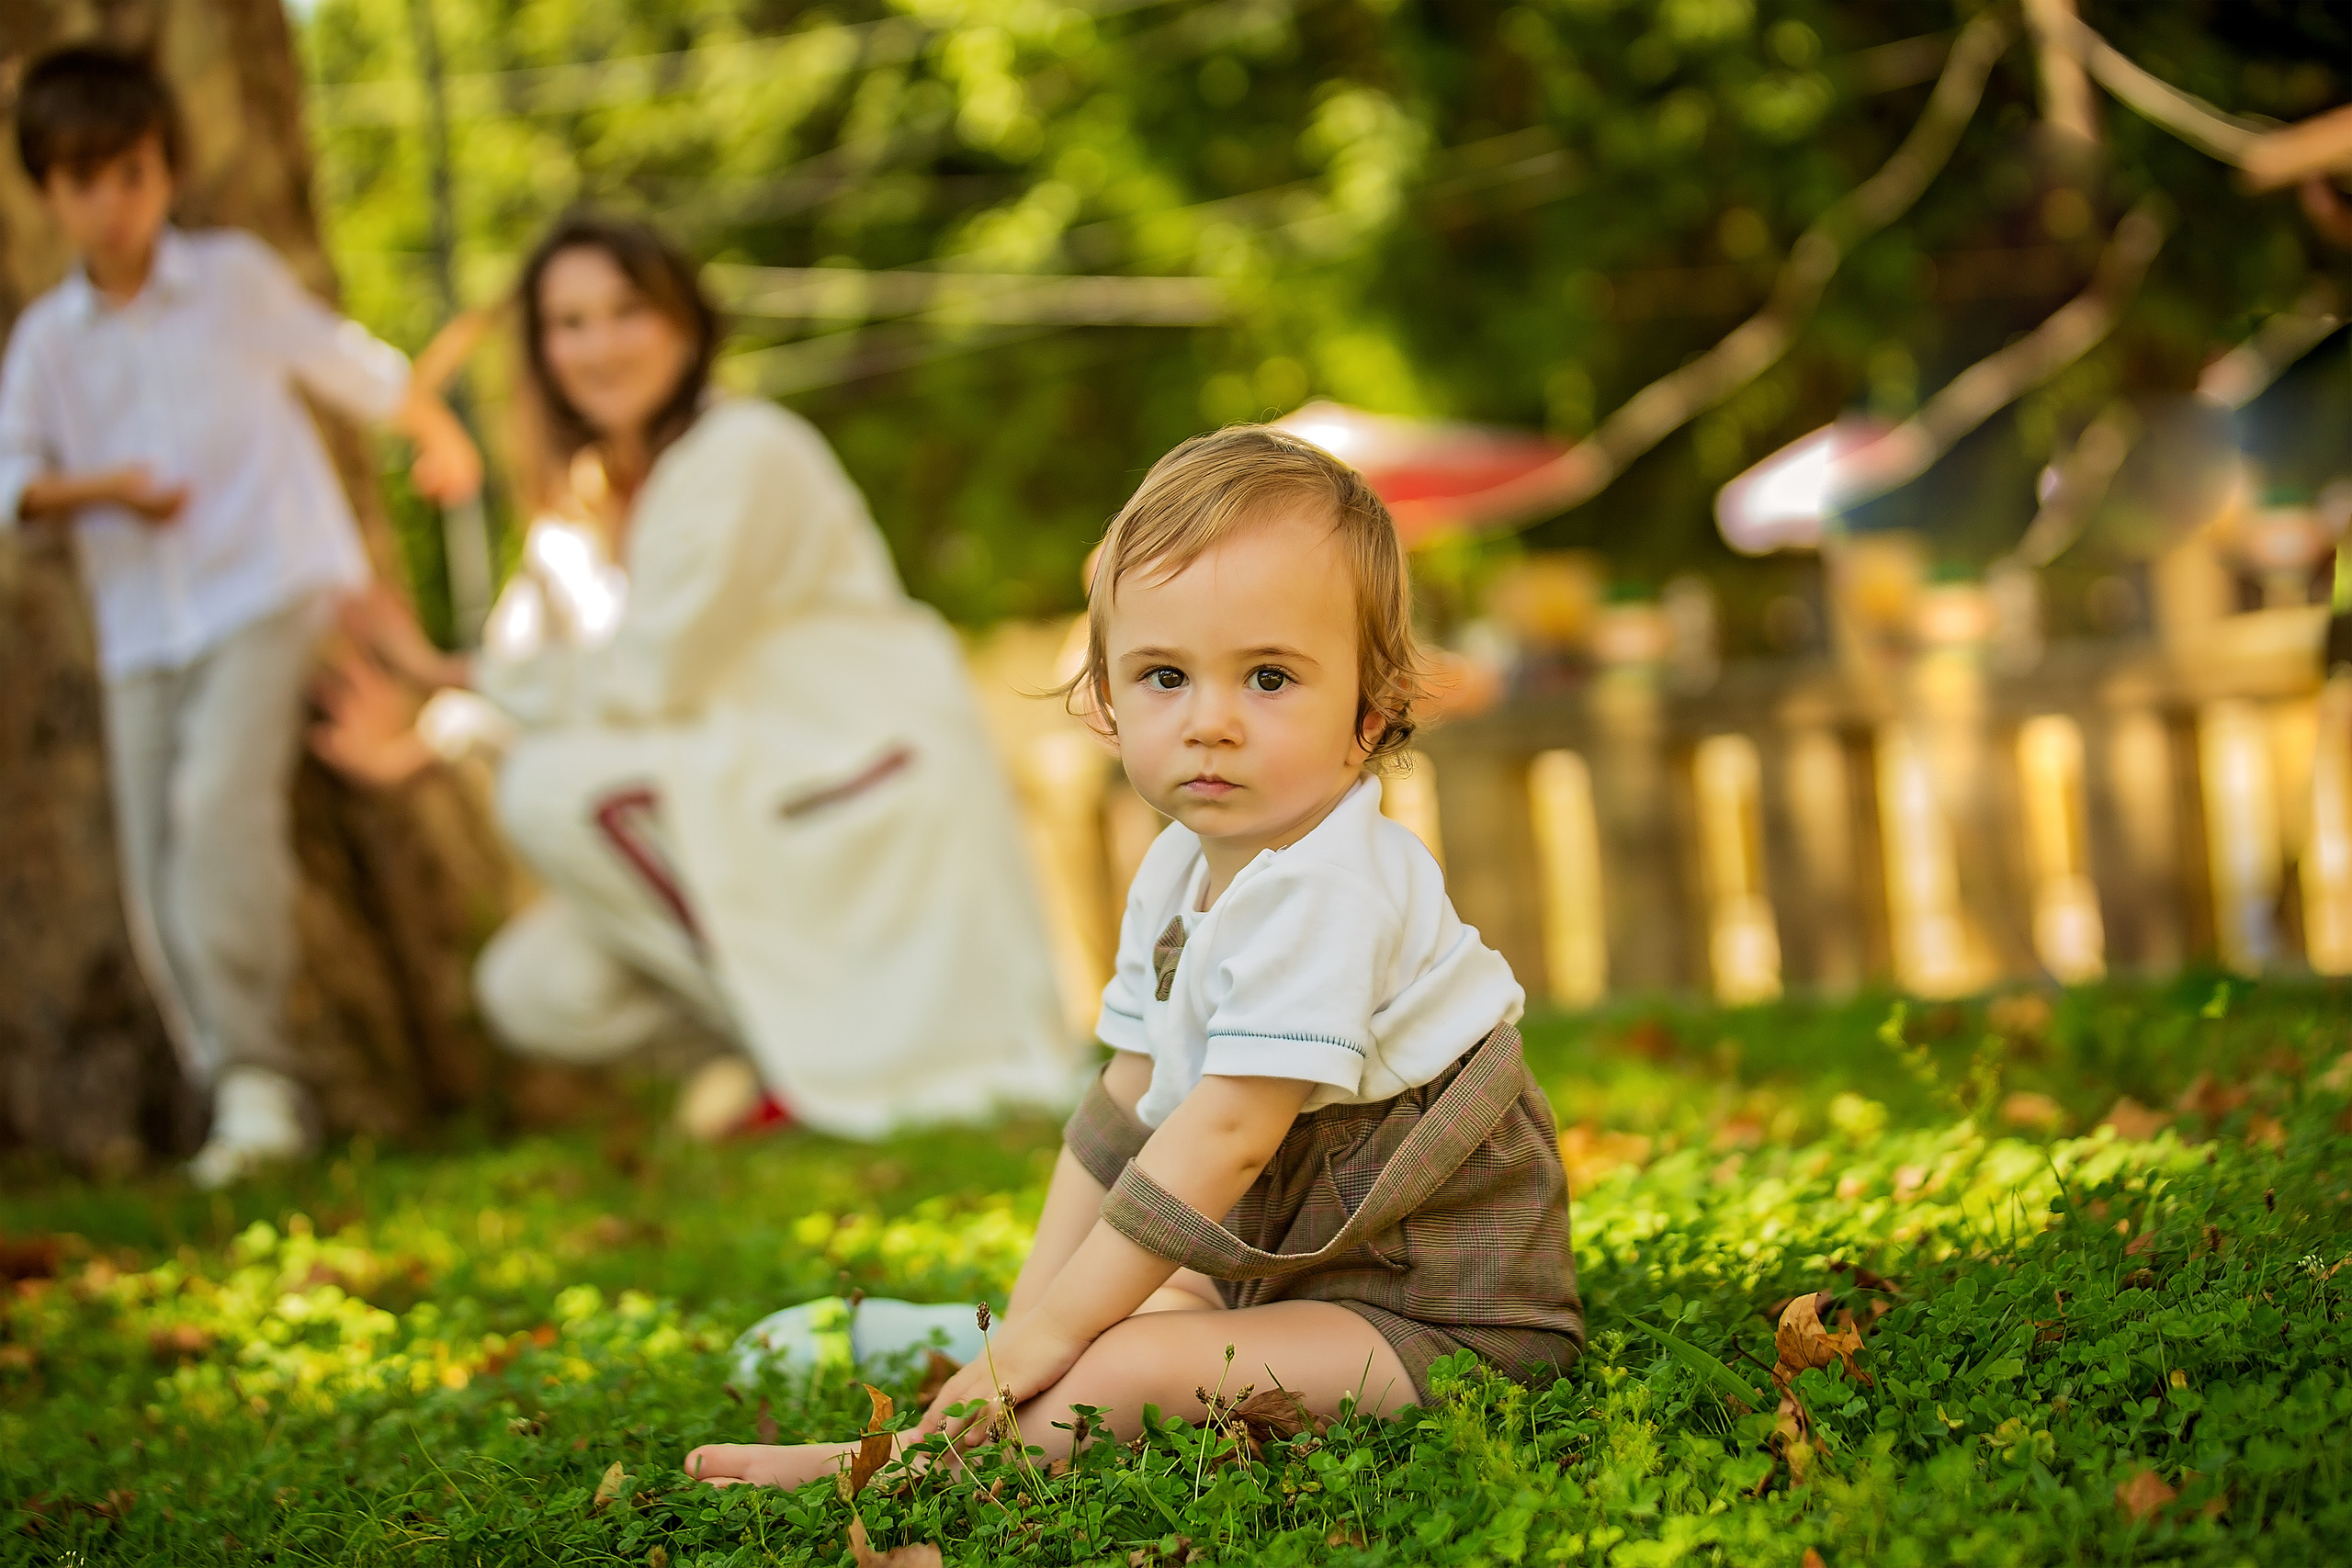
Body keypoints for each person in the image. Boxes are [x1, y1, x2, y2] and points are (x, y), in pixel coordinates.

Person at [685, 424, 1584, 1492]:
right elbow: (1122, 1106)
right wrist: (1025, 1326)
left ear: (1369, 711)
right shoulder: (1178, 866)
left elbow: (1229, 1135)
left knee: (1135, 1364)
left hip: (1431, 1320)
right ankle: (967, 1339)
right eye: (1164, 676)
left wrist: (1039, 1348)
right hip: (1277, 1270)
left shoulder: (1332, 881)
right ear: (1107, 702)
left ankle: (893, 1470)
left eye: (1267, 677)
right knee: (1123, 1311)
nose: (1209, 722)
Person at [313, 213, 1074, 1138]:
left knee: (550, 794)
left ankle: (824, 1074)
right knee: (533, 990)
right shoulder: (579, 510)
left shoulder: (742, 450)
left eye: (626, 310)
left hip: (847, 769)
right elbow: (533, 683)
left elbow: (640, 679)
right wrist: (422, 736)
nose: (598, 346)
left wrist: (443, 672)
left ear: (684, 320)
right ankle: (790, 1048)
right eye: (569, 323)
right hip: (732, 793)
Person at [0, 46, 481, 1188]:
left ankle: (265, 1082)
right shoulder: (48, 343)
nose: (110, 206)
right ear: (46, 191)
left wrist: (434, 429)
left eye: (130, 174)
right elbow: (10, 473)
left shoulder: (232, 281)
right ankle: (227, 1080)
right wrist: (98, 490)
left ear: (165, 170)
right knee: (155, 867)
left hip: (268, 588)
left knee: (219, 809)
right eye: (81, 181)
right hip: (139, 626)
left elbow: (345, 366)